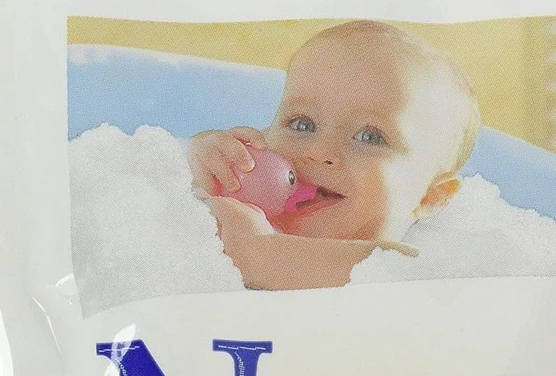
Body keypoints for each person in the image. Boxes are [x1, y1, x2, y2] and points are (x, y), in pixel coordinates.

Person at [188, 20, 480, 289]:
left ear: (431, 196)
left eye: (369, 137)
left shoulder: (413, 271)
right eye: (302, 124)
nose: (319, 151)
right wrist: (199, 164)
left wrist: (257, 255)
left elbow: (397, 271)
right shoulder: (243, 223)